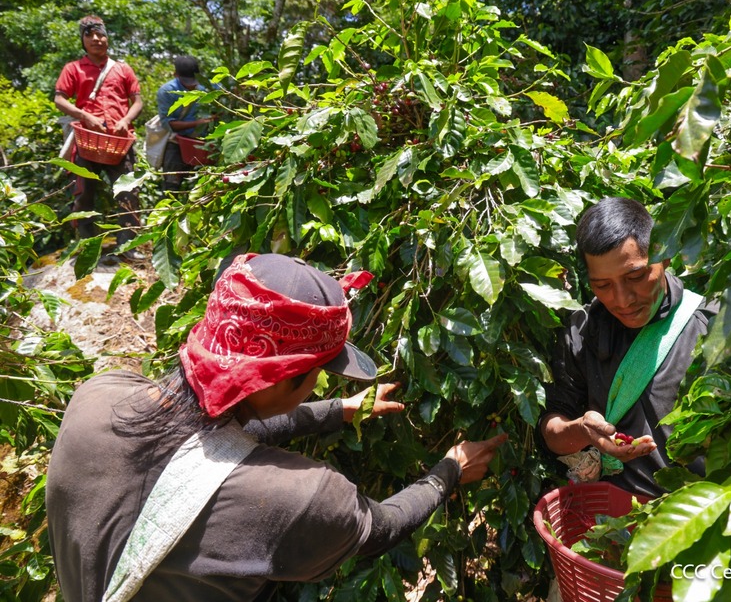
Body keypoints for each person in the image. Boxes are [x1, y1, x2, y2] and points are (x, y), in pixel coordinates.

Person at [46, 253, 507, 601]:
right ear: (283, 379)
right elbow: (381, 528)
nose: (318, 385)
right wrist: (448, 472)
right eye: (319, 374)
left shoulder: (100, 395)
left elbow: (205, 448)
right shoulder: (302, 498)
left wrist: (338, 410)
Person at [538, 197, 717, 497]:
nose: (622, 300)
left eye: (635, 277)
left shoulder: (713, 324)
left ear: (665, 256)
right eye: (603, 286)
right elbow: (552, 430)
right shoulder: (582, 332)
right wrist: (582, 431)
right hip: (616, 516)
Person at [54, 15, 145, 263]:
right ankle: (87, 247)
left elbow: (137, 101)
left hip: (119, 141)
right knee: (83, 194)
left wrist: (126, 120)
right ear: (83, 40)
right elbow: (60, 98)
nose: (97, 39)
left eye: (101, 34)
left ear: (107, 37)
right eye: (90, 35)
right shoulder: (73, 69)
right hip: (87, 141)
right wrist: (84, 115)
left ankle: (128, 246)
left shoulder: (122, 68)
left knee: (128, 191)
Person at [156, 55, 215, 193]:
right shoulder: (167, 91)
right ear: (175, 75)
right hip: (178, 142)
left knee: (204, 188)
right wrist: (197, 123)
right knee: (171, 187)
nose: (190, 85)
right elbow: (168, 123)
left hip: (204, 144)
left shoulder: (208, 88)